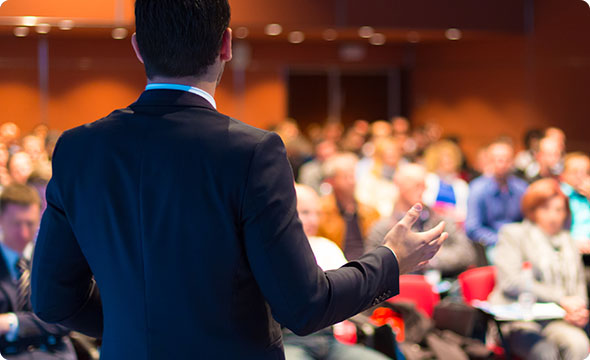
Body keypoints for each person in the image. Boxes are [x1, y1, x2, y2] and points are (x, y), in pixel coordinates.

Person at [30, 1, 447, 359]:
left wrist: (137, 320)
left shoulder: (79, 149)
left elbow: (52, 300)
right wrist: (389, 258)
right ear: (226, 44)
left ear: (138, 47)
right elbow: (304, 305)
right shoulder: (251, 153)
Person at [283, 184, 394, 360]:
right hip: (290, 341)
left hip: (329, 339)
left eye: (317, 214)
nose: (313, 221)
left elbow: (352, 294)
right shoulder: (275, 253)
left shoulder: (327, 247)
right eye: (304, 212)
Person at [489, 179, 589, 360]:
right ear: (532, 211)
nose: (553, 216)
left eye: (559, 210)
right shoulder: (514, 234)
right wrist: (561, 298)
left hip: (557, 318)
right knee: (543, 351)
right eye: (546, 209)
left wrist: (579, 309)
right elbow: (511, 282)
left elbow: (579, 283)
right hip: (519, 318)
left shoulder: (568, 241)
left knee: (578, 343)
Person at [0, 184, 76, 359]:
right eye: (16, 223)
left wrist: (12, 322)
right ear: (1, 219)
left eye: (30, 223)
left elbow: (65, 319)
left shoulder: (54, 258)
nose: (24, 233)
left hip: (55, 353)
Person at [367, 163, 475, 278]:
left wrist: (429, 258)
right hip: (403, 290)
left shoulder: (441, 220)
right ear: (399, 185)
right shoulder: (383, 228)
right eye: (416, 185)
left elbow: (467, 254)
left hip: (444, 287)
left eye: (424, 185)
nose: (422, 190)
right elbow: (374, 267)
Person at [465, 138, 528, 263]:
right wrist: (499, 240)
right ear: (489, 162)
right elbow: (473, 228)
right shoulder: (477, 189)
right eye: (497, 160)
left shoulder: (522, 187)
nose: (502, 164)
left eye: (507, 160)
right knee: (506, 260)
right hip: (492, 244)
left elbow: (529, 220)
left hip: (519, 241)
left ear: (512, 162)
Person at [318, 153, 381, 260]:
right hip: (337, 268)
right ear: (331, 181)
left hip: (367, 266)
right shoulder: (320, 211)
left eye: (353, 176)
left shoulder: (371, 212)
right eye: (346, 177)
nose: (352, 181)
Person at [422, 140, 469, 224]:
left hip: (454, 225)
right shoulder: (428, 179)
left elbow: (464, 212)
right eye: (445, 157)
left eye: (451, 157)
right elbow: (425, 204)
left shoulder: (461, 185)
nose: (448, 160)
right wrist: (443, 210)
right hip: (430, 223)